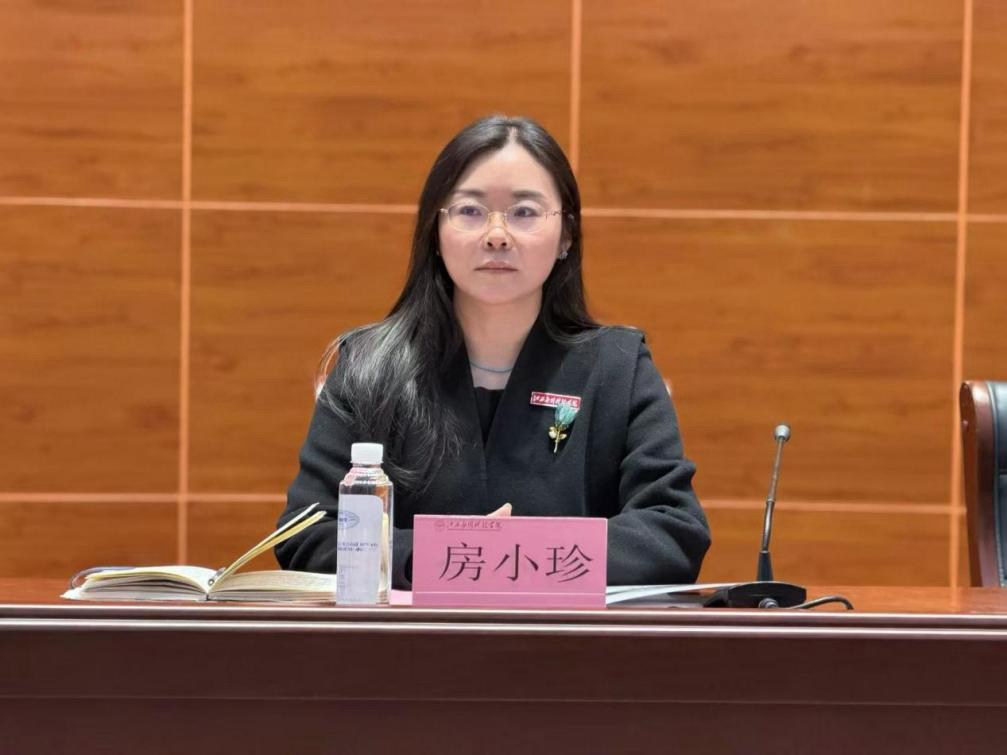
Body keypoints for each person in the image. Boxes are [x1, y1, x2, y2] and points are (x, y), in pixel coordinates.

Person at [276, 115, 710, 588]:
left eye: (524, 212)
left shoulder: (618, 368)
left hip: (563, 636)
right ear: (435, 231)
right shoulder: (368, 366)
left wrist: (518, 555)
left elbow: (673, 532)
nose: (497, 235)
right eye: (470, 210)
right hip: (414, 636)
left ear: (566, 235)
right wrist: (446, 555)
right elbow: (307, 534)